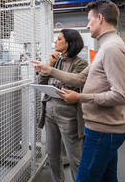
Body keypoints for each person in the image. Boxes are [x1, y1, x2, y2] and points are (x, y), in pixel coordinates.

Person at [33, 0, 125, 182]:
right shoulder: (106, 47)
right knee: (107, 178)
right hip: (102, 128)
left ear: (100, 18)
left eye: (89, 20)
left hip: (104, 130)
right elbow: (80, 78)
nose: (87, 25)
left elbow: (120, 95)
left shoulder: (111, 49)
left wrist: (80, 97)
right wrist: (49, 69)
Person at [36, 29, 88, 182]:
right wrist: (49, 65)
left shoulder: (81, 64)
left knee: (75, 157)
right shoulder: (56, 61)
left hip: (69, 115)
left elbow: (75, 83)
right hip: (50, 112)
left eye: (59, 39)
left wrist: (51, 71)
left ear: (69, 43)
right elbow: (41, 82)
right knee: (52, 154)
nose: (55, 42)